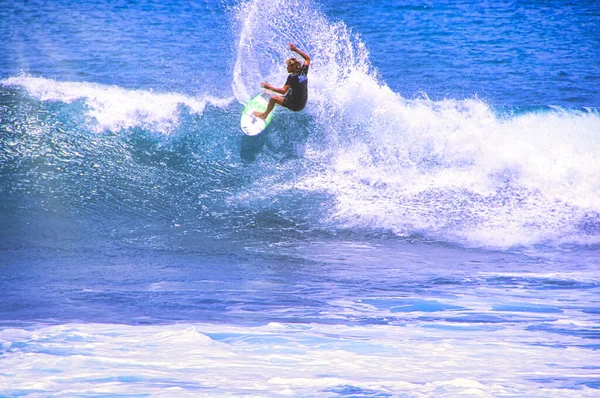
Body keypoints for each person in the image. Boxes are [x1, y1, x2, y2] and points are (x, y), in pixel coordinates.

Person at [254, 43, 310, 120]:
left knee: (273, 99)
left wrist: (269, 87)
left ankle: (264, 115)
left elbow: (283, 91)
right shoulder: (303, 71)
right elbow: (307, 59)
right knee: (288, 92)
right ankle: (270, 93)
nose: (286, 68)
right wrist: (295, 50)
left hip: (296, 106)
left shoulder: (292, 77)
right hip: (303, 102)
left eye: (288, 66)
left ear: (293, 67)